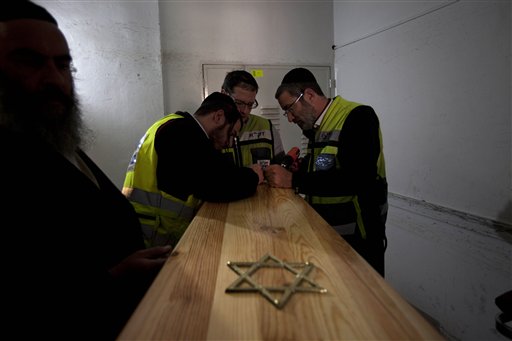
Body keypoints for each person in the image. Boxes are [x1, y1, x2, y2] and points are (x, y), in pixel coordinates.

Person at [0, 2, 171, 339]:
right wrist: (112, 279)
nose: (54, 78)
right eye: (29, 61)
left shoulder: (56, 140)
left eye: (63, 65)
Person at [264, 68, 388, 276]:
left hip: (359, 238)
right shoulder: (317, 127)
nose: (290, 118)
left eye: (289, 109)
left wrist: (293, 179)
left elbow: (356, 178)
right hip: (327, 234)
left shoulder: (359, 116)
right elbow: (325, 167)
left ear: (310, 95)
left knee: (363, 303)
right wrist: (302, 167)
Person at [122, 92, 263, 247]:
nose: (230, 144)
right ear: (218, 117)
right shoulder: (181, 131)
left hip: (153, 235)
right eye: (232, 134)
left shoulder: (178, 127)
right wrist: (253, 176)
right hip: (147, 240)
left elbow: (218, 169)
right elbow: (217, 184)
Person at [220, 70, 285, 169]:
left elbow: (281, 168)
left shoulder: (266, 127)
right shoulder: (212, 130)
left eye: (250, 104)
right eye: (238, 103)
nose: (245, 111)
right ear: (223, 94)